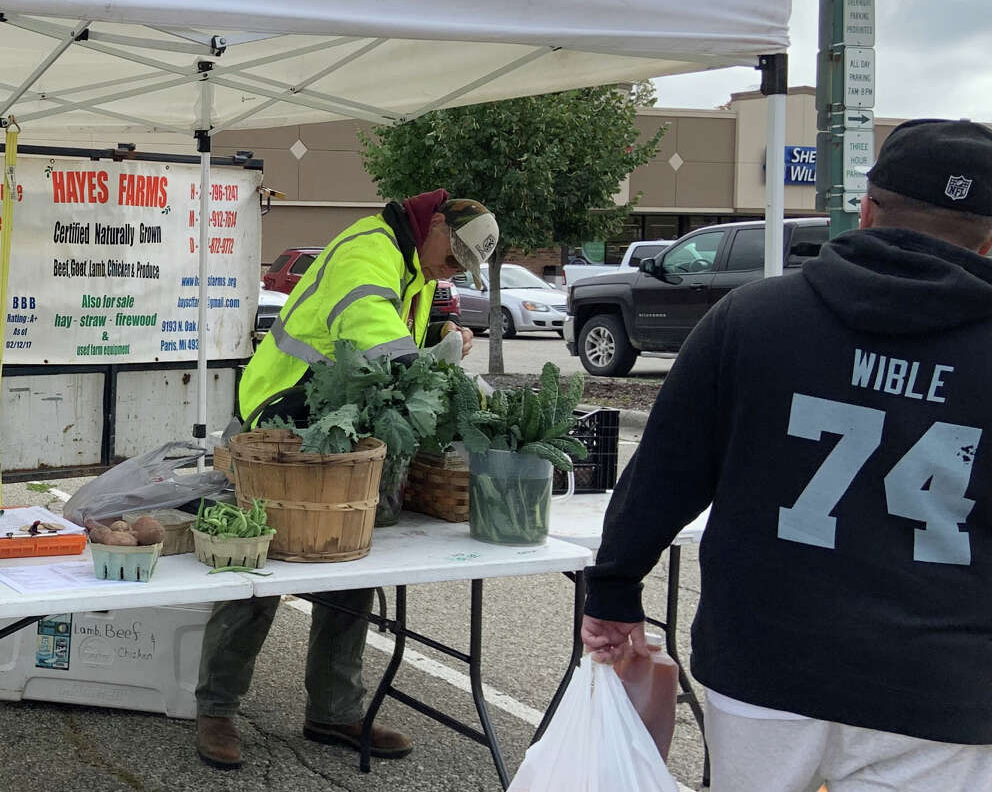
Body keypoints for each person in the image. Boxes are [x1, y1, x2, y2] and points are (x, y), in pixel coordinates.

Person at [581, 119, 992, 792]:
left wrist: (615, 587)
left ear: (865, 208)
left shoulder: (753, 316)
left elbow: (665, 468)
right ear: (987, 237)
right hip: (939, 686)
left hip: (766, 661)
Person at [196, 190, 499, 769]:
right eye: (454, 255)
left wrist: (439, 347)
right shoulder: (370, 251)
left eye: (464, 266)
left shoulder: (415, 266)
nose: (453, 270)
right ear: (433, 224)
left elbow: (393, 357)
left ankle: (333, 712)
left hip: (335, 428)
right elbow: (385, 349)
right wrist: (446, 368)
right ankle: (216, 709)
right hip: (279, 421)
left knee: (349, 558)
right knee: (258, 564)